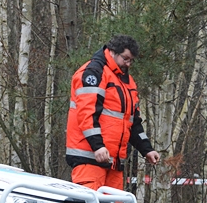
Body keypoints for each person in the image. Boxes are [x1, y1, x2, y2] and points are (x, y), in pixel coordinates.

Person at [66, 34, 160, 191]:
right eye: (125, 58)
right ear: (112, 52)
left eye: (131, 60)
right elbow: (87, 114)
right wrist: (98, 146)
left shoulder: (126, 81)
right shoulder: (94, 72)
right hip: (90, 157)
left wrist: (147, 149)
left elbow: (132, 121)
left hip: (113, 161)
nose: (128, 64)